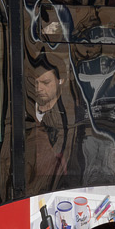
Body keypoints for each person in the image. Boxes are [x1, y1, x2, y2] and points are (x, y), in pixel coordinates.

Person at [25, 56, 76, 194]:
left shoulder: (71, 116)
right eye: (35, 83)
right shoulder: (23, 109)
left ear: (61, 81)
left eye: (45, 82)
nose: (39, 88)